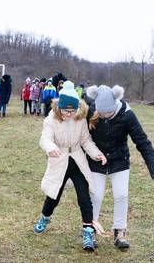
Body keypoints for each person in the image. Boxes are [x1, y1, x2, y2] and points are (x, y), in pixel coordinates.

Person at [86, 85, 154, 250]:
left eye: (108, 112)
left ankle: (120, 231)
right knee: (95, 196)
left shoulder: (127, 115)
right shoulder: (91, 112)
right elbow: (81, 139)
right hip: (96, 161)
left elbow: (142, 141)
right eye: (102, 113)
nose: (105, 116)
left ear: (115, 105)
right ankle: (90, 230)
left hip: (119, 160)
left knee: (121, 195)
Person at [33, 81, 107, 252]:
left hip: (77, 160)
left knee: (84, 197)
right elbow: (45, 138)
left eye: (72, 110)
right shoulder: (51, 119)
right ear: (59, 107)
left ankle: (88, 231)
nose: (68, 113)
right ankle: (45, 217)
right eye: (65, 110)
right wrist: (51, 148)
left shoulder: (80, 118)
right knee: (54, 195)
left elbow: (86, 141)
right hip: (59, 160)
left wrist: (97, 154)